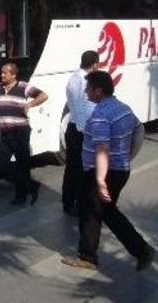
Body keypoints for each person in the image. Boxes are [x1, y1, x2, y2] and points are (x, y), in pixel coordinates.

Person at [62, 70, 155, 271]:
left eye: (89, 89)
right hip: (120, 170)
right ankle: (141, 250)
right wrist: (127, 156)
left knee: (90, 212)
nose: (86, 92)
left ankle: (89, 256)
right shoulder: (122, 108)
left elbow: (102, 149)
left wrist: (101, 180)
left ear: (99, 91)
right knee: (106, 212)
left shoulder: (100, 116)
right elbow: (139, 130)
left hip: (101, 172)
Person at [0, 62, 48, 205]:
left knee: (22, 165)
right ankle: (31, 186)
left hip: (20, 131)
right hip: (5, 133)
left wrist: (29, 104)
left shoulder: (23, 86)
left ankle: (21, 197)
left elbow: (44, 95)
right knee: (3, 165)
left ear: (13, 75)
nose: (2, 75)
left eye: (5, 73)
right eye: (1, 72)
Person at [62, 50, 99, 217]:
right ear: (95, 64)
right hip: (79, 130)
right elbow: (80, 107)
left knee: (74, 167)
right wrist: (86, 131)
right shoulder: (83, 80)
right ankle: (72, 202)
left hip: (75, 127)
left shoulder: (74, 77)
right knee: (77, 169)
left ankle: (71, 200)